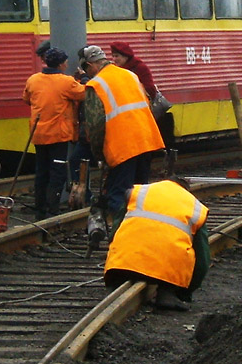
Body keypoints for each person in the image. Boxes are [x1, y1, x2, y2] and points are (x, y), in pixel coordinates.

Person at [80, 45, 166, 230]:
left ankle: (120, 236)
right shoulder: (130, 75)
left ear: (90, 65)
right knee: (139, 193)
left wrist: (99, 155)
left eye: (87, 70)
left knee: (118, 194)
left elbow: (95, 126)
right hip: (146, 140)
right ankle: (141, 231)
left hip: (123, 146)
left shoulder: (96, 85)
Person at [104, 178, 210, 312]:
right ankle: (167, 293)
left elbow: (114, 232)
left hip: (123, 261)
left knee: (123, 246)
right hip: (168, 272)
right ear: (186, 190)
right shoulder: (196, 208)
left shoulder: (139, 192)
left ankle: (115, 281)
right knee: (184, 250)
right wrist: (184, 293)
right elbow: (202, 261)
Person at [22, 48, 87, 219]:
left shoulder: (33, 79)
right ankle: (53, 210)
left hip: (38, 134)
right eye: (65, 61)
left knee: (41, 172)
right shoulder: (66, 82)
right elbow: (83, 93)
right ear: (60, 64)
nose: (67, 63)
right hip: (58, 135)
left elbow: (27, 98)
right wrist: (83, 79)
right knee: (57, 173)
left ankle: (40, 209)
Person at [109, 41, 174, 149]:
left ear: (126, 56)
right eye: (113, 56)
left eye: (117, 56)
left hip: (139, 110)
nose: (114, 59)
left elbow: (150, 89)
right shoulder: (116, 70)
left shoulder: (139, 68)